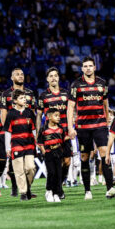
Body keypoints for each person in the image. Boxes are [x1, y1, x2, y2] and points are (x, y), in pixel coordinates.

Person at [67, 57, 115, 200]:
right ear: (82, 69)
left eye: (90, 66)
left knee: (104, 153)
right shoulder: (76, 85)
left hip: (100, 125)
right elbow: (70, 107)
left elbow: (105, 102)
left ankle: (110, 188)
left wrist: (107, 116)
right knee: (85, 157)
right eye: (85, 66)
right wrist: (70, 127)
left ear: (95, 67)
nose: (88, 68)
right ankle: (87, 190)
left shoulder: (102, 83)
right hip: (83, 127)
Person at [1, 68, 37, 197]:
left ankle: (26, 189)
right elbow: (3, 114)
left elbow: (34, 122)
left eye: (22, 74)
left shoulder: (30, 94)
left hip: (28, 141)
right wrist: (8, 143)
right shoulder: (5, 94)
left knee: (30, 167)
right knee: (17, 168)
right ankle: (20, 191)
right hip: (15, 138)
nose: (20, 76)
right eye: (17, 74)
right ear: (11, 77)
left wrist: (37, 140)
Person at [37, 67, 71, 198]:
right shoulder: (43, 96)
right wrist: (38, 132)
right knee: (54, 163)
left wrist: (71, 128)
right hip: (50, 135)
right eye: (50, 76)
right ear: (47, 79)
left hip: (65, 133)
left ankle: (58, 185)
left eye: (55, 75)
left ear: (58, 77)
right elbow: (39, 115)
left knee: (67, 161)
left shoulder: (65, 94)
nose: (53, 78)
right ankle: (55, 190)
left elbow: (70, 111)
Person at [38, 108, 66, 203]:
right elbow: (40, 142)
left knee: (59, 174)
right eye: (56, 116)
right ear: (49, 117)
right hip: (49, 153)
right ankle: (49, 191)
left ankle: (56, 193)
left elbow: (63, 141)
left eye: (59, 116)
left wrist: (62, 152)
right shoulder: (43, 129)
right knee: (51, 173)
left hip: (58, 153)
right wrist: (43, 151)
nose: (58, 118)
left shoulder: (61, 129)